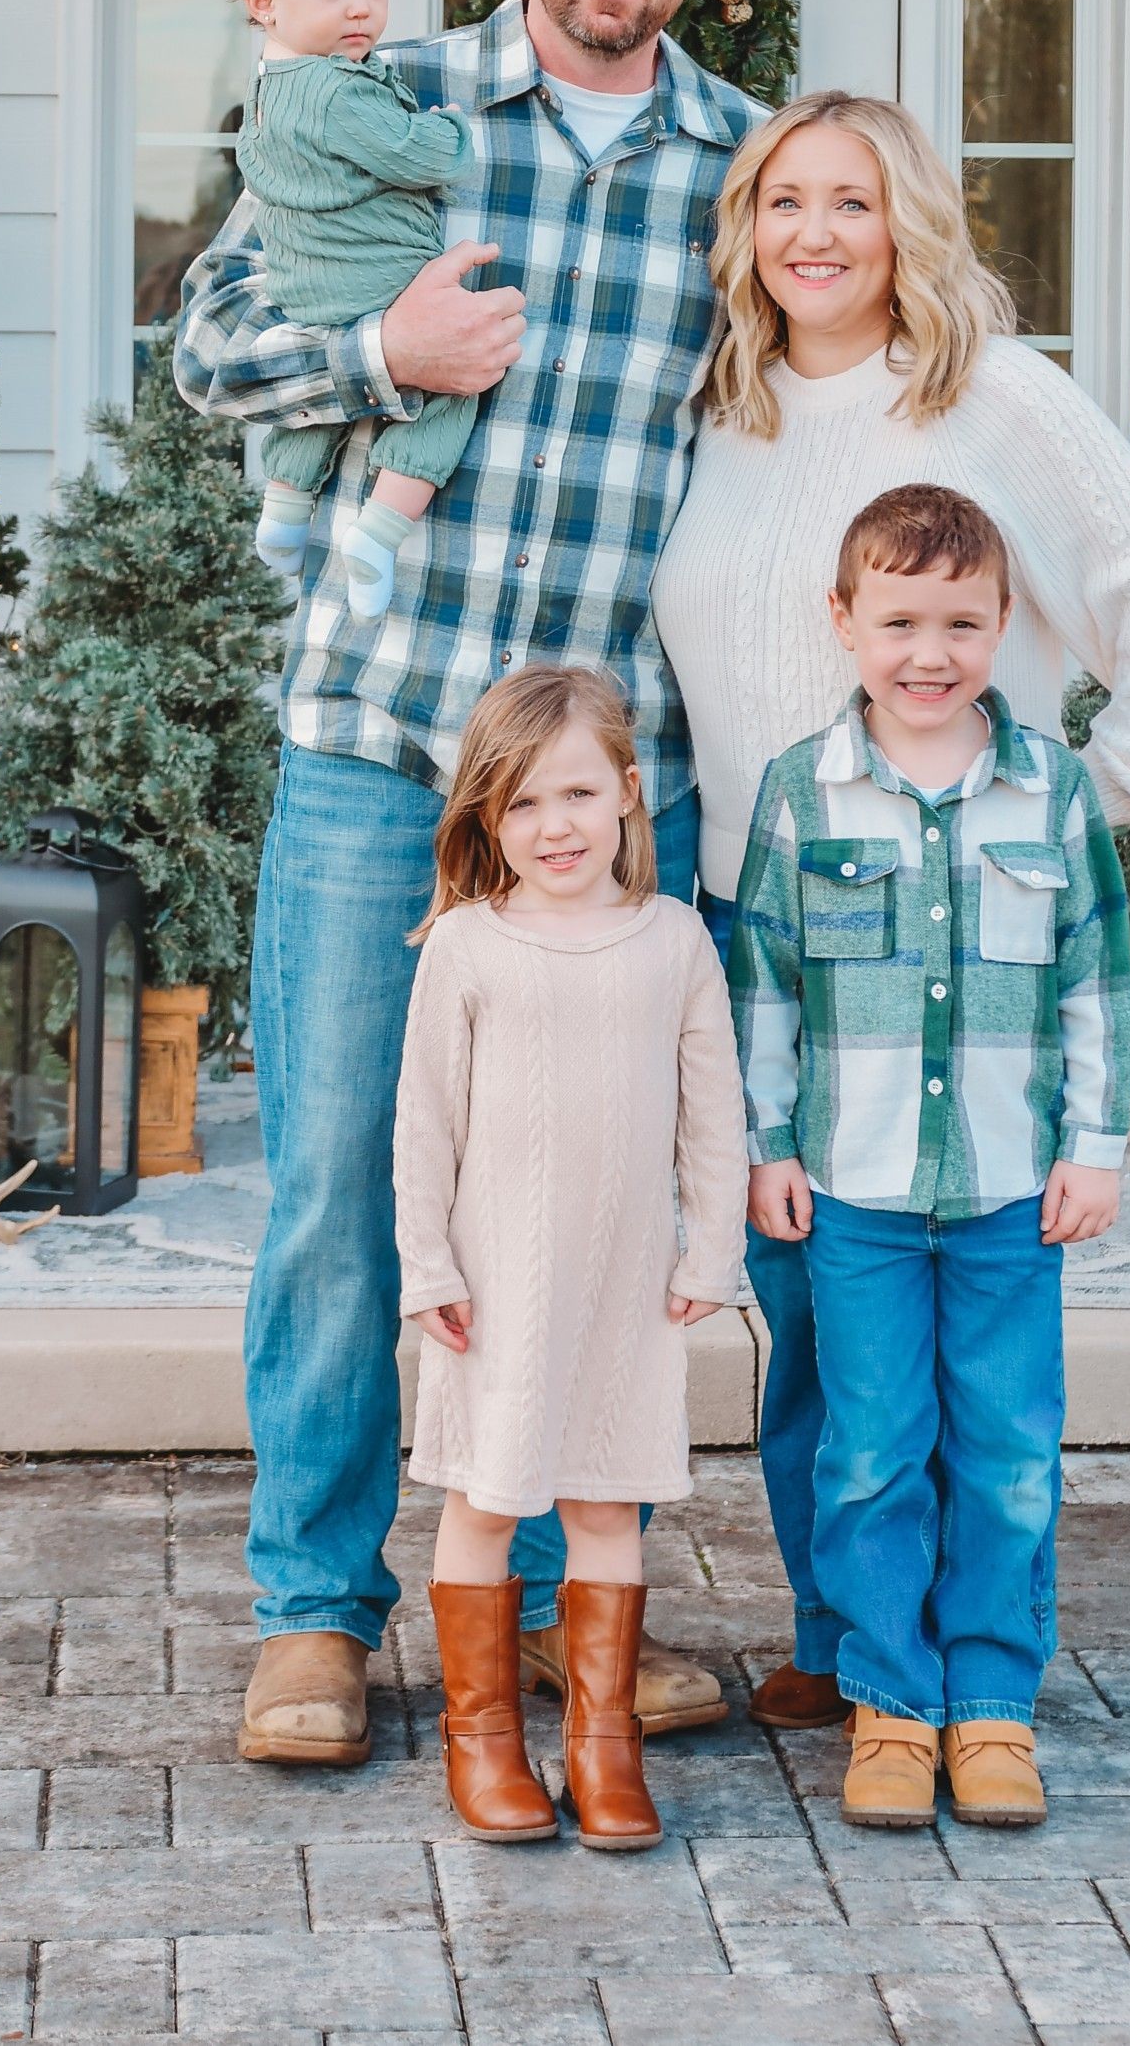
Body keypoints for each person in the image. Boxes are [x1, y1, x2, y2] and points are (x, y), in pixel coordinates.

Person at [174, 0, 765, 1769]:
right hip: (379, 749)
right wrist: (380, 346)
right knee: (346, 1185)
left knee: (574, 1210)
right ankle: (316, 1615)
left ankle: (539, 1607)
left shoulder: (743, 163)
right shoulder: (374, 86)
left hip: (598, 801)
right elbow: (209, 348)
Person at [653, 90, 1130, 1729]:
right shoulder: (727, 407)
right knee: (814, 1324)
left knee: (963, 1355)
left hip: (950, 945)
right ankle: (848, 1638)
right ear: (748, 228)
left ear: (908, 220)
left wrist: (1102, 794)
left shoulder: (988, 396)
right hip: (752, 929)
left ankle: (964, 1674)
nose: (815, 233)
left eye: (852, 199)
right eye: (783, 201)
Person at [730, 482, 1130, 1830]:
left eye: (960, 620)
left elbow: (1097, 978)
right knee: (872, 1448)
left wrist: (1094, 1146)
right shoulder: (803, 790)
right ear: (843, 621)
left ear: (1004, 624)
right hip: (852, 1194)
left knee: (1010, 1445)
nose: (930, 650)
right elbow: (770, 987)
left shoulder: (1053, 789)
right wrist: (765, 1144)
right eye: (899, 617)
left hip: (1010, 1197)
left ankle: (992, 1700)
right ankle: (891, 1699)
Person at [394, 665, 747, 1848]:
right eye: (525, 803)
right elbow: (424, 1121)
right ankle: (484, 1743)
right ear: (489, 818)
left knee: (606, 1499)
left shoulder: (674, 940)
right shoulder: (466, 948)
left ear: (631, 797)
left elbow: (713, 1113)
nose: (557, 827)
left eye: (580, 794)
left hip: (625, 1286)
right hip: (495, 1290)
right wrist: (427, 1265)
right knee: (485, 1498)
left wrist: (715, 1248)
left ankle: (604, 1749)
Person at [232, 0, 473, 619]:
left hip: (306, 287)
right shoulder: (341, 91)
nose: (362, 6)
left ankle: (282, 511)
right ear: (263, 1)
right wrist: (453, 128)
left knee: (324, 408)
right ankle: (381, 528)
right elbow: (419, 156)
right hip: (378, 279)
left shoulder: (271, 91)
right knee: (454, 387)